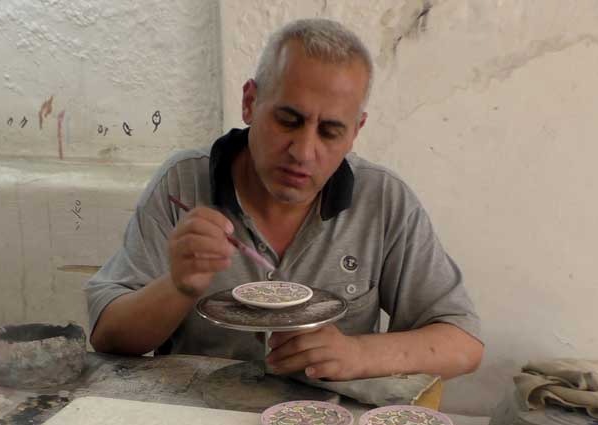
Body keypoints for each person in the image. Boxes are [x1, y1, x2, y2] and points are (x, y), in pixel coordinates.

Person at [85, 18, 482, 381]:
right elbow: (109, 337)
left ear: (356, 131)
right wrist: (177, 286)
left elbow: (462, 342)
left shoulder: (382, 200)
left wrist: (356, 354)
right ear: (249, 102)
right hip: (200, 424)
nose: (303, 152)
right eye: (288, 121)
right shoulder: (183, 184)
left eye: (329, 131)